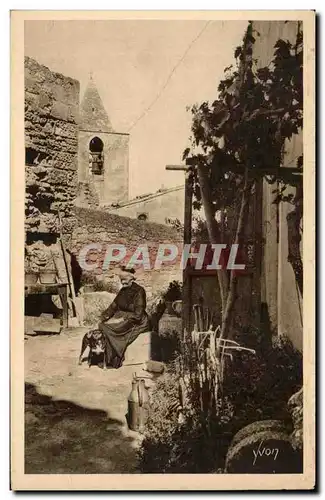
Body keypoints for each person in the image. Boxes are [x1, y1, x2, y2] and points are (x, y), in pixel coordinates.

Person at [98, 266, 149, 368]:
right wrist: (104, 316)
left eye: (125, 280)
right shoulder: (123, 290)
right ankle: (109, 358)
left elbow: (138, 314)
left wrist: (121, 319)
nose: (123, 283)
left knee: (110, 328)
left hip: (136, 321)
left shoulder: (139, 291)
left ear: (131, 279)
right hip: (124, 317)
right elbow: (114, 306)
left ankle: (115, 359)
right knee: (102, 325)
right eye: (121, 280)